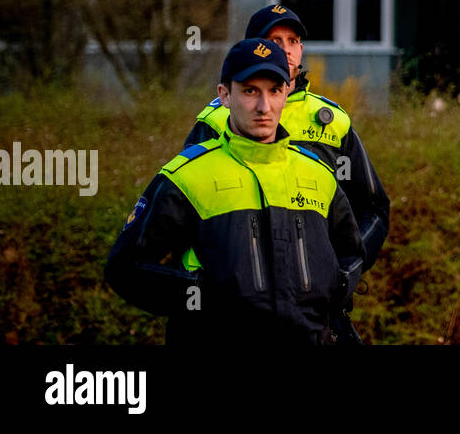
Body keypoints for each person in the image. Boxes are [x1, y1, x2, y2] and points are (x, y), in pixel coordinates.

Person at [105, 39, 365, 344]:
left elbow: (352, 253)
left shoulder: (318, 175)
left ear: (285, 94)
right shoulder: (188, 177)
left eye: (274, 90)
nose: (263, 107)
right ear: (225, 95)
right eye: (250, 90)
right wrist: (198, 298)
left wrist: (333, 291)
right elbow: (126, 268)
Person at [185, 5, 390, 272]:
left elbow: (372, 209)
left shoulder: (332, 122)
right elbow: (186, 206)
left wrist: (342, 273)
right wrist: (200, 285)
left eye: (293, 41)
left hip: (309, 295)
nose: (287, 49)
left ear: (301, 49)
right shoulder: (215, 120)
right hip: (231, 295)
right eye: (275, 41)